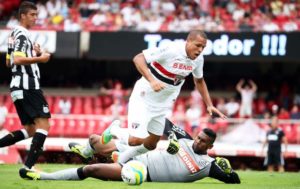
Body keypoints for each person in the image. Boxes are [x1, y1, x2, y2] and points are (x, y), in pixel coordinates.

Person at [101, 30, 226, 164]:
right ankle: (115, 130)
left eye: (203, 47)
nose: (200, 50)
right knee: (135, 140)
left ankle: (121, 159)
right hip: (144, 98)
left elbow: (199, 81)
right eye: (197, 45)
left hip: (162, 105)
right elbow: (138, 58)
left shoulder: (198, 59)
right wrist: (152, 80)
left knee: (151, 144)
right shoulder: (171, 49)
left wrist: (209, 104)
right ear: (188, 41)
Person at [20, 125, 240, 184]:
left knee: (91, 170)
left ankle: (41, 175)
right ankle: (91, 151)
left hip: (142, 171)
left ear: (210, 146)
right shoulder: (184, 138)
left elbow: (234, 180)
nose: (198, 141)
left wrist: (228, 170)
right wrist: (172, 138)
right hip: (139, 153)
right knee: (95, 139)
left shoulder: (208, 164)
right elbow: (164, 123)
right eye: (199, 137)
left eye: (203, 141)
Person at [0, 1, 51, 172]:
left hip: (17, 88)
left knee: (30, 130)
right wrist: (41, 58)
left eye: (36, 15)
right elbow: (17, 60)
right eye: (32, 15)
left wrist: (33, 52)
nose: (36, 18)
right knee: (43, 126)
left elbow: (8, 61)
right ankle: (29, 167)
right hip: (28, 86)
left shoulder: (13, 35)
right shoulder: (22, 34)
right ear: (22, 16)